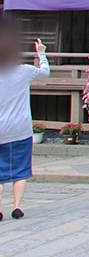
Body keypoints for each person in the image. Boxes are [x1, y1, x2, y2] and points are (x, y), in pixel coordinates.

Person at [0, 21, 49, 221]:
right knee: (20, 169)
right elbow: (45, 72)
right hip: (21, 128)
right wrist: (41, 53)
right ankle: (17, 206)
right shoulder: (24, 71)